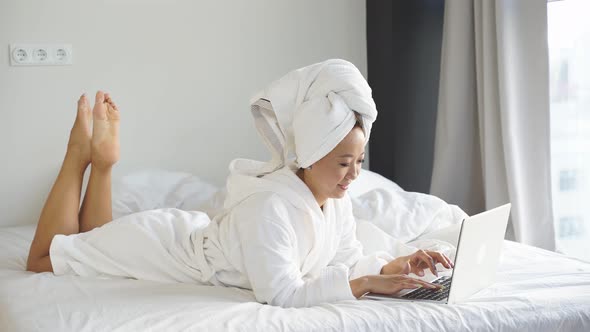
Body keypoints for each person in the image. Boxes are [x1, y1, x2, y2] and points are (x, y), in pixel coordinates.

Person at [26, 59, 453, 308]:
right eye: (344, 162)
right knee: (45, 260)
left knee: (93, 240)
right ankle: (78, 156)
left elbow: (343, 261)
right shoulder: (270, 206)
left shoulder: (334, 203)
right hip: (163, 248)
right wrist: (365, 285)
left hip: (191, 239)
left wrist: (389, 268)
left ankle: (103, 166)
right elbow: (280, 293)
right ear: (307, 156)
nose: (354, 174)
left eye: (359, 160)